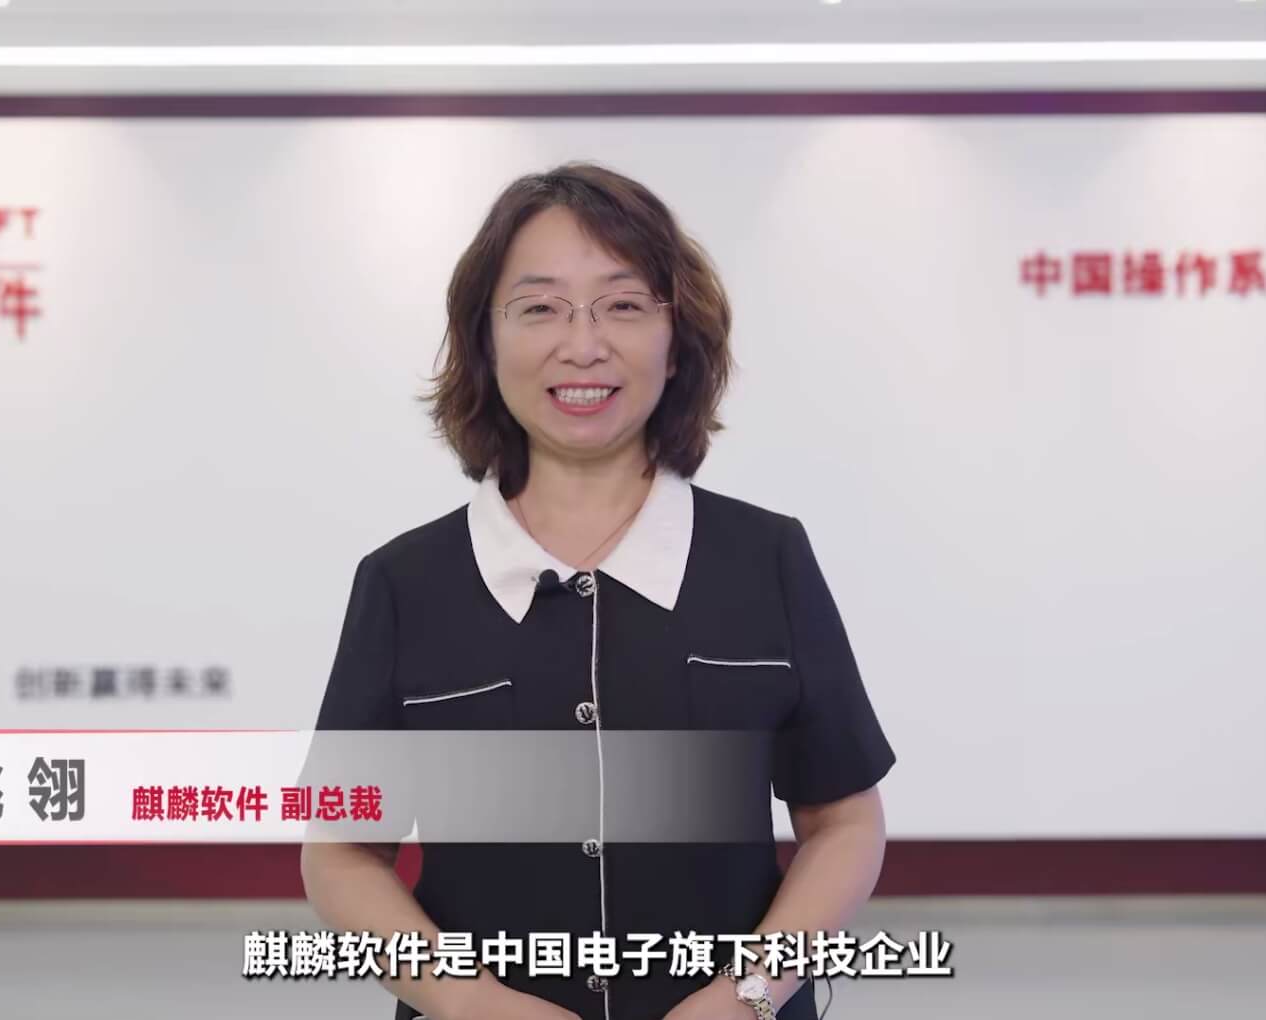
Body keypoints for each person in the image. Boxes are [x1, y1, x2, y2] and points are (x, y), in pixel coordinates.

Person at [300, 162, 895, 1020]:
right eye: (539, 308)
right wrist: (472, 1005)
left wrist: (747, 997)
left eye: (622, 305)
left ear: (676, 339)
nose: (582, 346)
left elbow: (843, 822)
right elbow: (341, 853)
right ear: (484, 341)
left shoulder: (765, 557)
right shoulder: (404, 582)